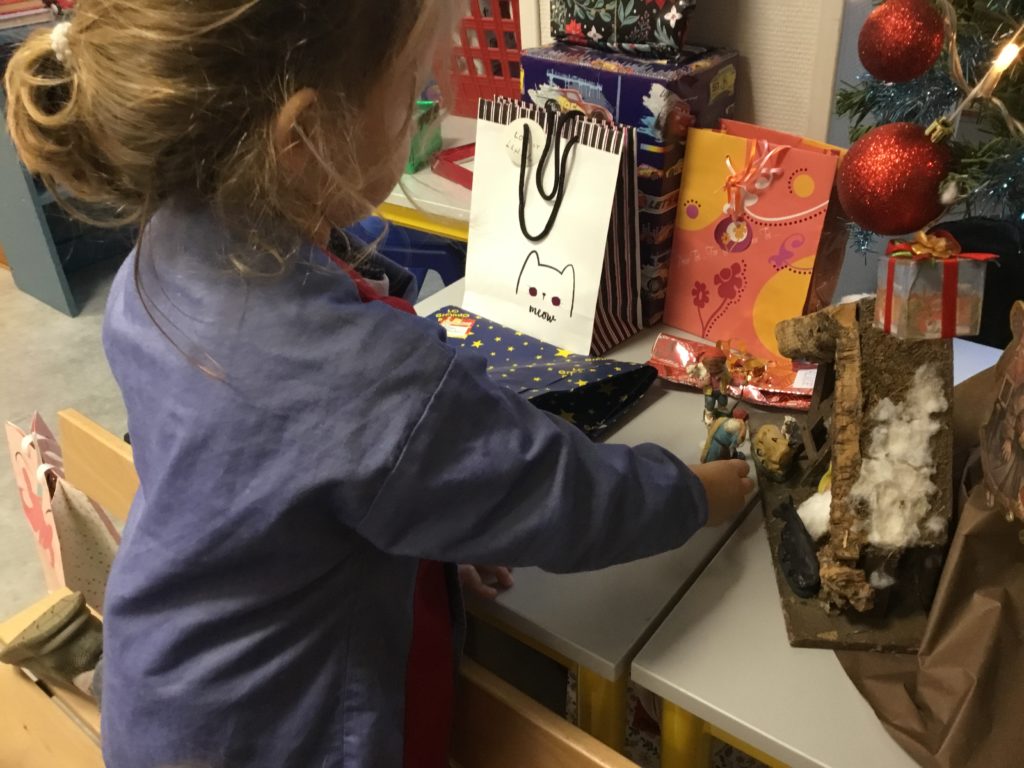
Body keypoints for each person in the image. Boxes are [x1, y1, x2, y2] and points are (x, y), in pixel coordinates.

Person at [3, 2, 752, 766]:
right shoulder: (365, 377)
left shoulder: (162, 255)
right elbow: (566, 496)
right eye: (414, 89)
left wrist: (422, 517)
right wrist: (700, 493)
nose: (429, 102)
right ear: (303, 139)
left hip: (163, 698)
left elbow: (268, 482)